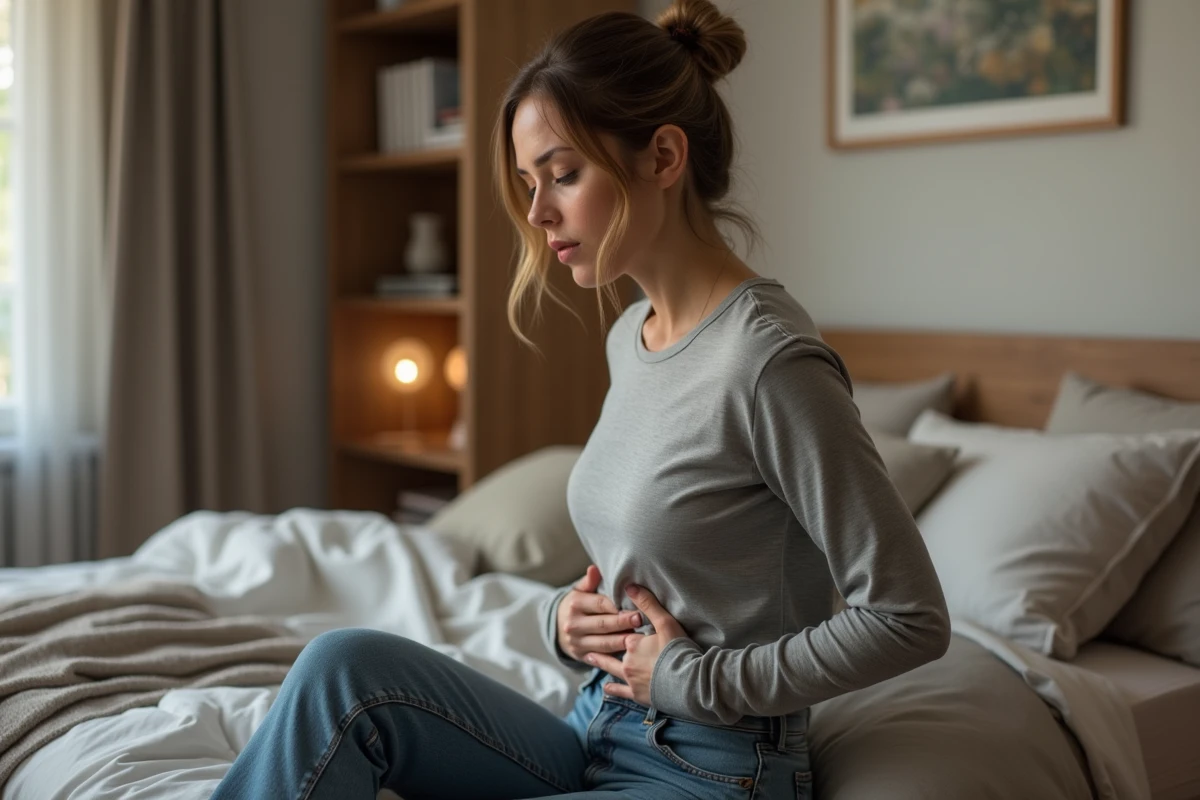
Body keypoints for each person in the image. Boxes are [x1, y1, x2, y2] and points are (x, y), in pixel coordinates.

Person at [211, 1, 950, 798]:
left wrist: (698, 681)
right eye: (531, 183)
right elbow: (650, 557)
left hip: (711, 769)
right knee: (340, 669)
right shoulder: (632, 336)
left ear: (664, 156)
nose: (537, 214)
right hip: (593, 725)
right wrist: (566, 618)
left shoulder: (770, 362)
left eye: (563, 175)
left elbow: (908, 618)